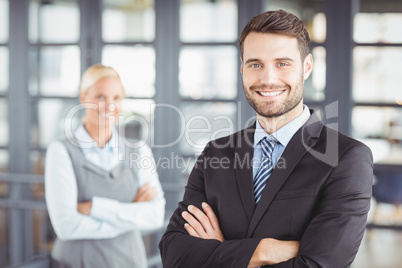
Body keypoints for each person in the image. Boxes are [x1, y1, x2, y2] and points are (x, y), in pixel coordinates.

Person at [159, 10, 373, 267]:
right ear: (242, 69)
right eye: (255, 64)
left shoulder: (347, 158)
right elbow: (173, 252)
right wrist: (265, 250)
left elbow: (320, 264)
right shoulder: (216, 153)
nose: (268, 79)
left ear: (306, 67)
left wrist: (221, 251)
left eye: (282, 64)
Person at [45, 64, 165, 268]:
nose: (109, 105)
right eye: (100, 97)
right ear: (83, 98)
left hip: (130, 262)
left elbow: (155, 216)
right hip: (76, 263)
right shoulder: (61, 151)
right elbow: (66, 226)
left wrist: (95, 208)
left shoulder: (139, 150)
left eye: (116, 98)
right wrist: (131, 212)